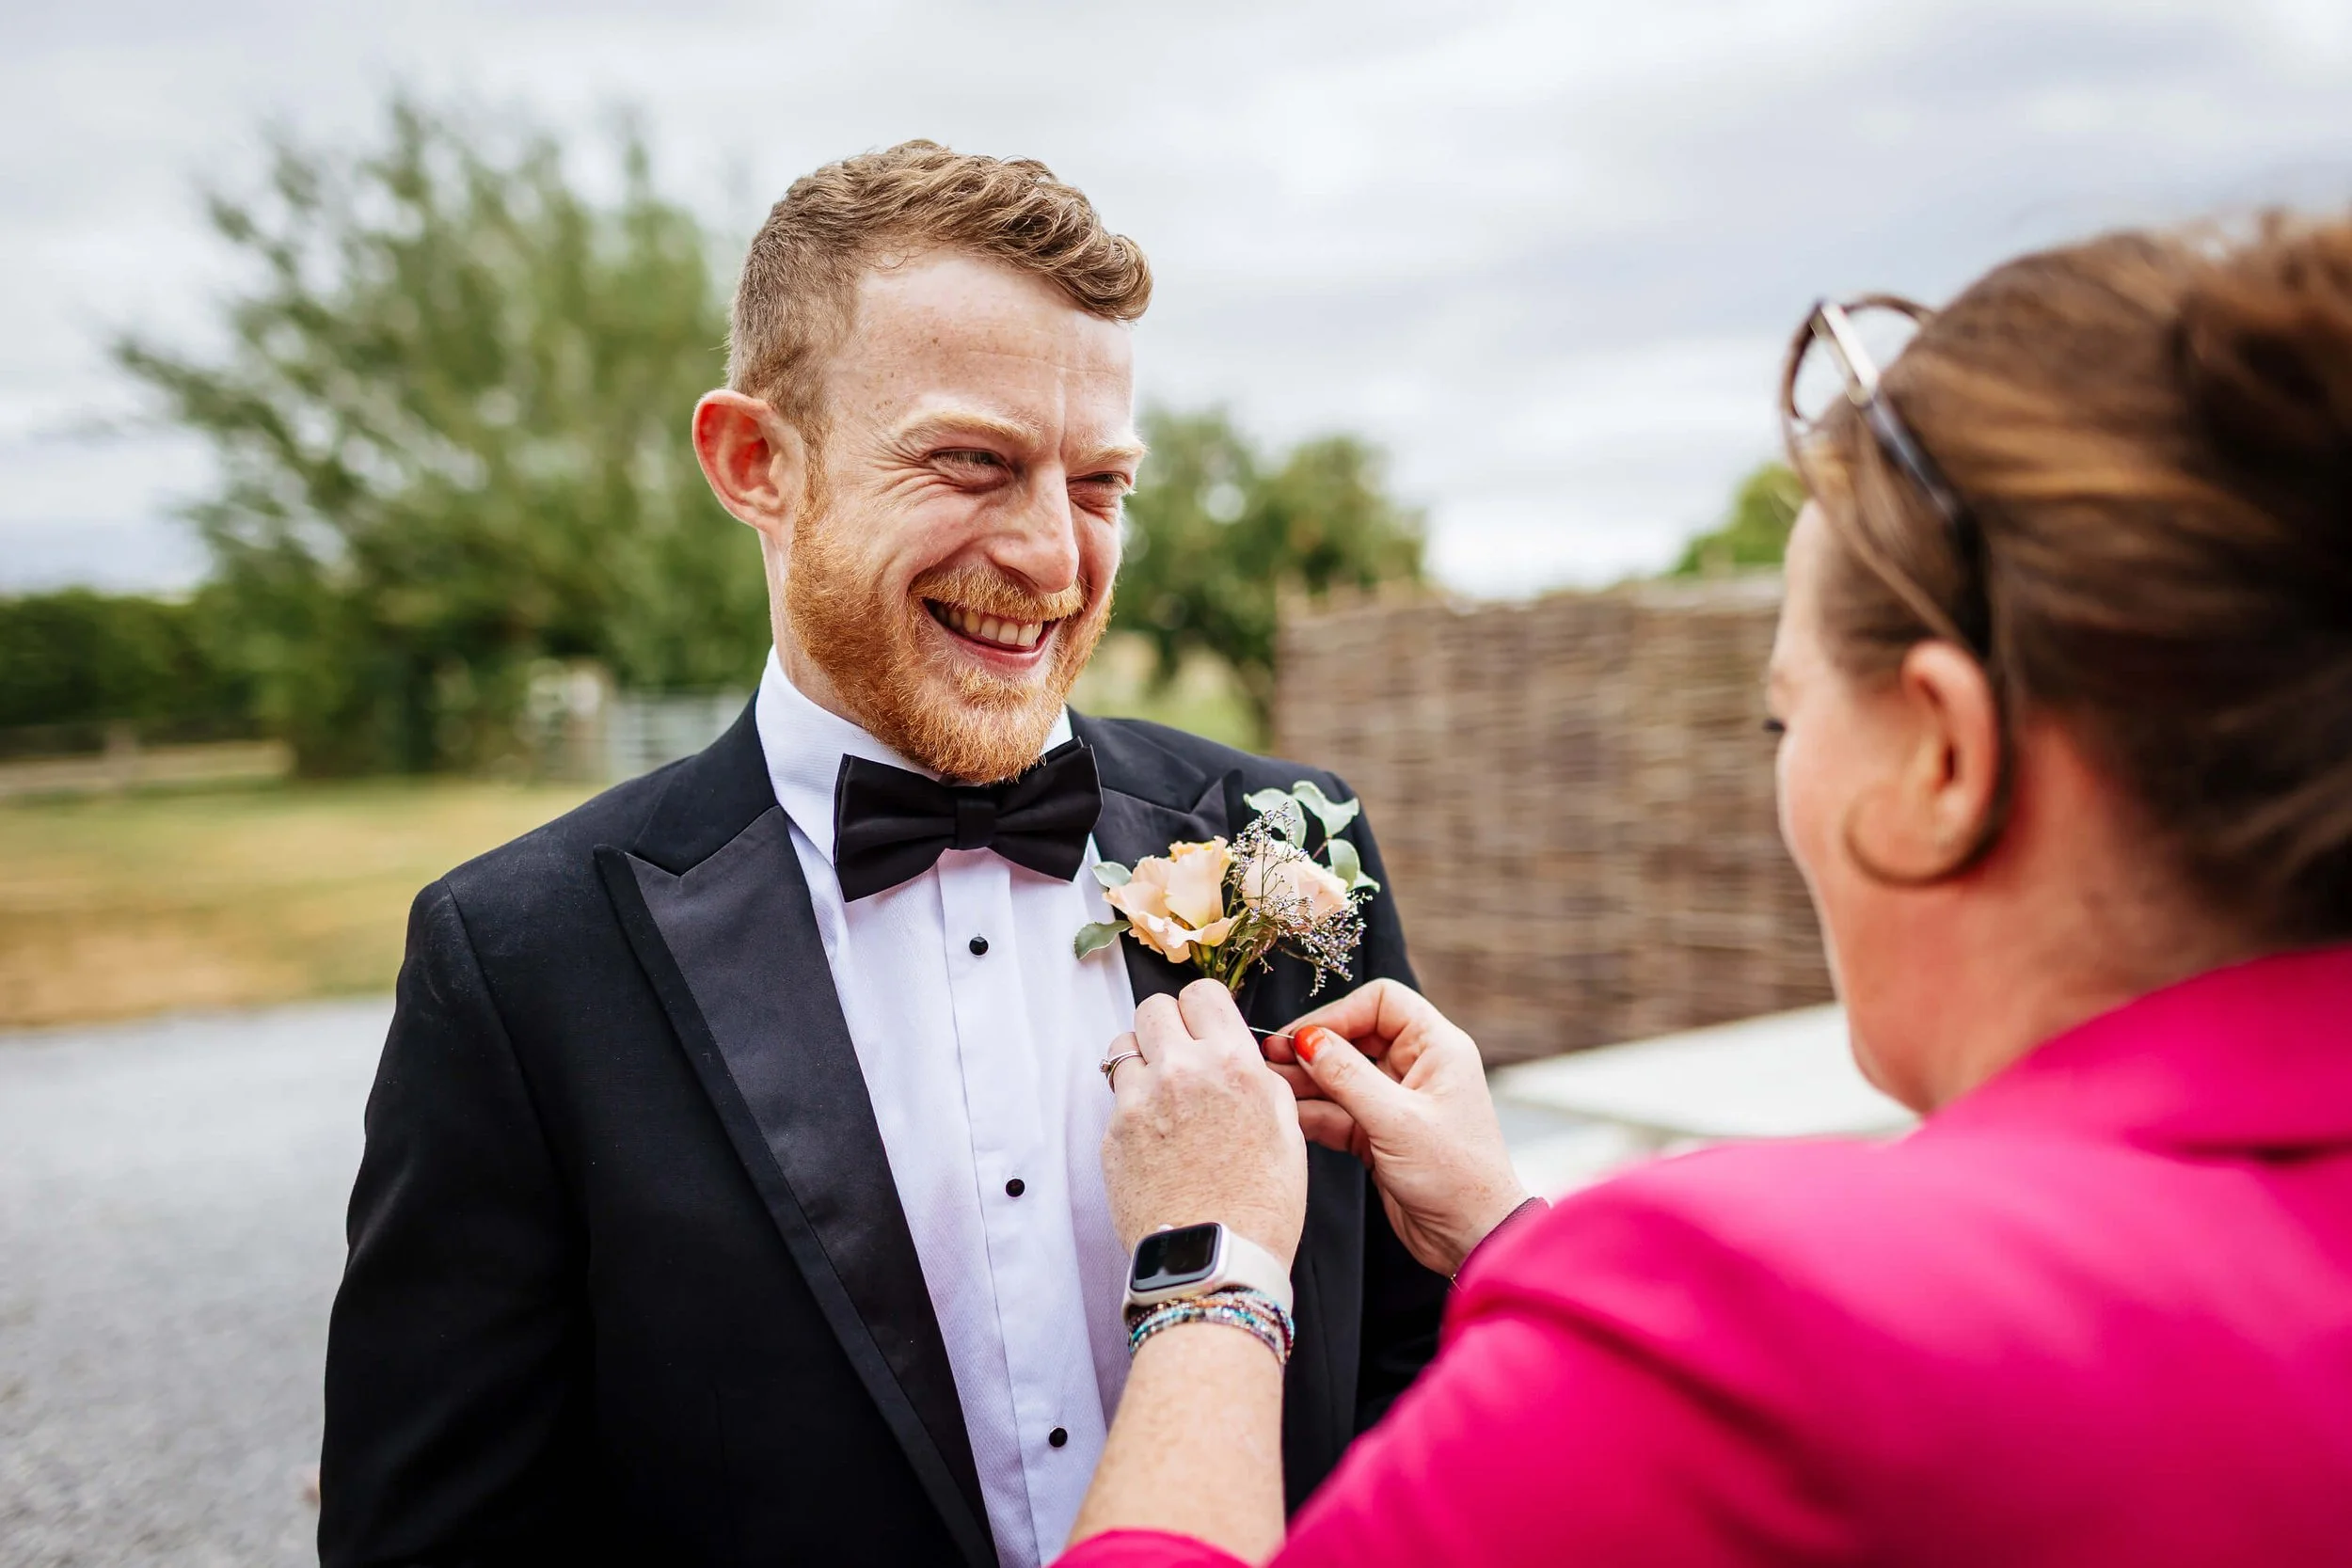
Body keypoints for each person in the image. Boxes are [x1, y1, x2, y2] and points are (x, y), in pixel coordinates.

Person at [1057, 212, 2352, 1566]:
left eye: (1785, 720)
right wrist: (1501, 1228)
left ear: (1945, 756)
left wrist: (1212, 1269)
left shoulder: (1754, 1325)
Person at [318, 142, 1446, 1568]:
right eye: (973, 461)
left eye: (1101, 482)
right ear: (755, 464)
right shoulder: (520, 963)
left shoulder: (1283, 846)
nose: (1052, 555)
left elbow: (1425, 1386)